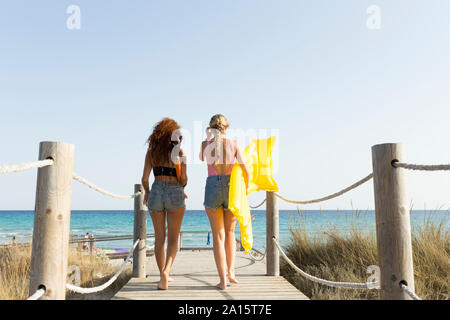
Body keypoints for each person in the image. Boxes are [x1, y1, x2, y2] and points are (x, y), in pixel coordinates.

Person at [200, 114, 250, 290]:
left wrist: (207, 138)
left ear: (211, 128)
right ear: (226, 127)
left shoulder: (205, 145)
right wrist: (246, 190)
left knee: (218, 237)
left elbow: (201, 158)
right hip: (231, 188)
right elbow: (245, 170)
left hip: (212, 186)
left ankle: (222, 281)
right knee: (230, 232)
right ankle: (231, 272)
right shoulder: (234, 144)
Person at [142, 117, 187, 290]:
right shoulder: (179, 153)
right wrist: (181, 183)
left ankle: (162, 276)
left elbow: (144, 179)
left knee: (159, 237)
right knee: (174, 238)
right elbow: (183, 179)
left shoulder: (151, 152)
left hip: (156, 191)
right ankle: (167, 271)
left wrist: (147, 193)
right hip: (175, 191)